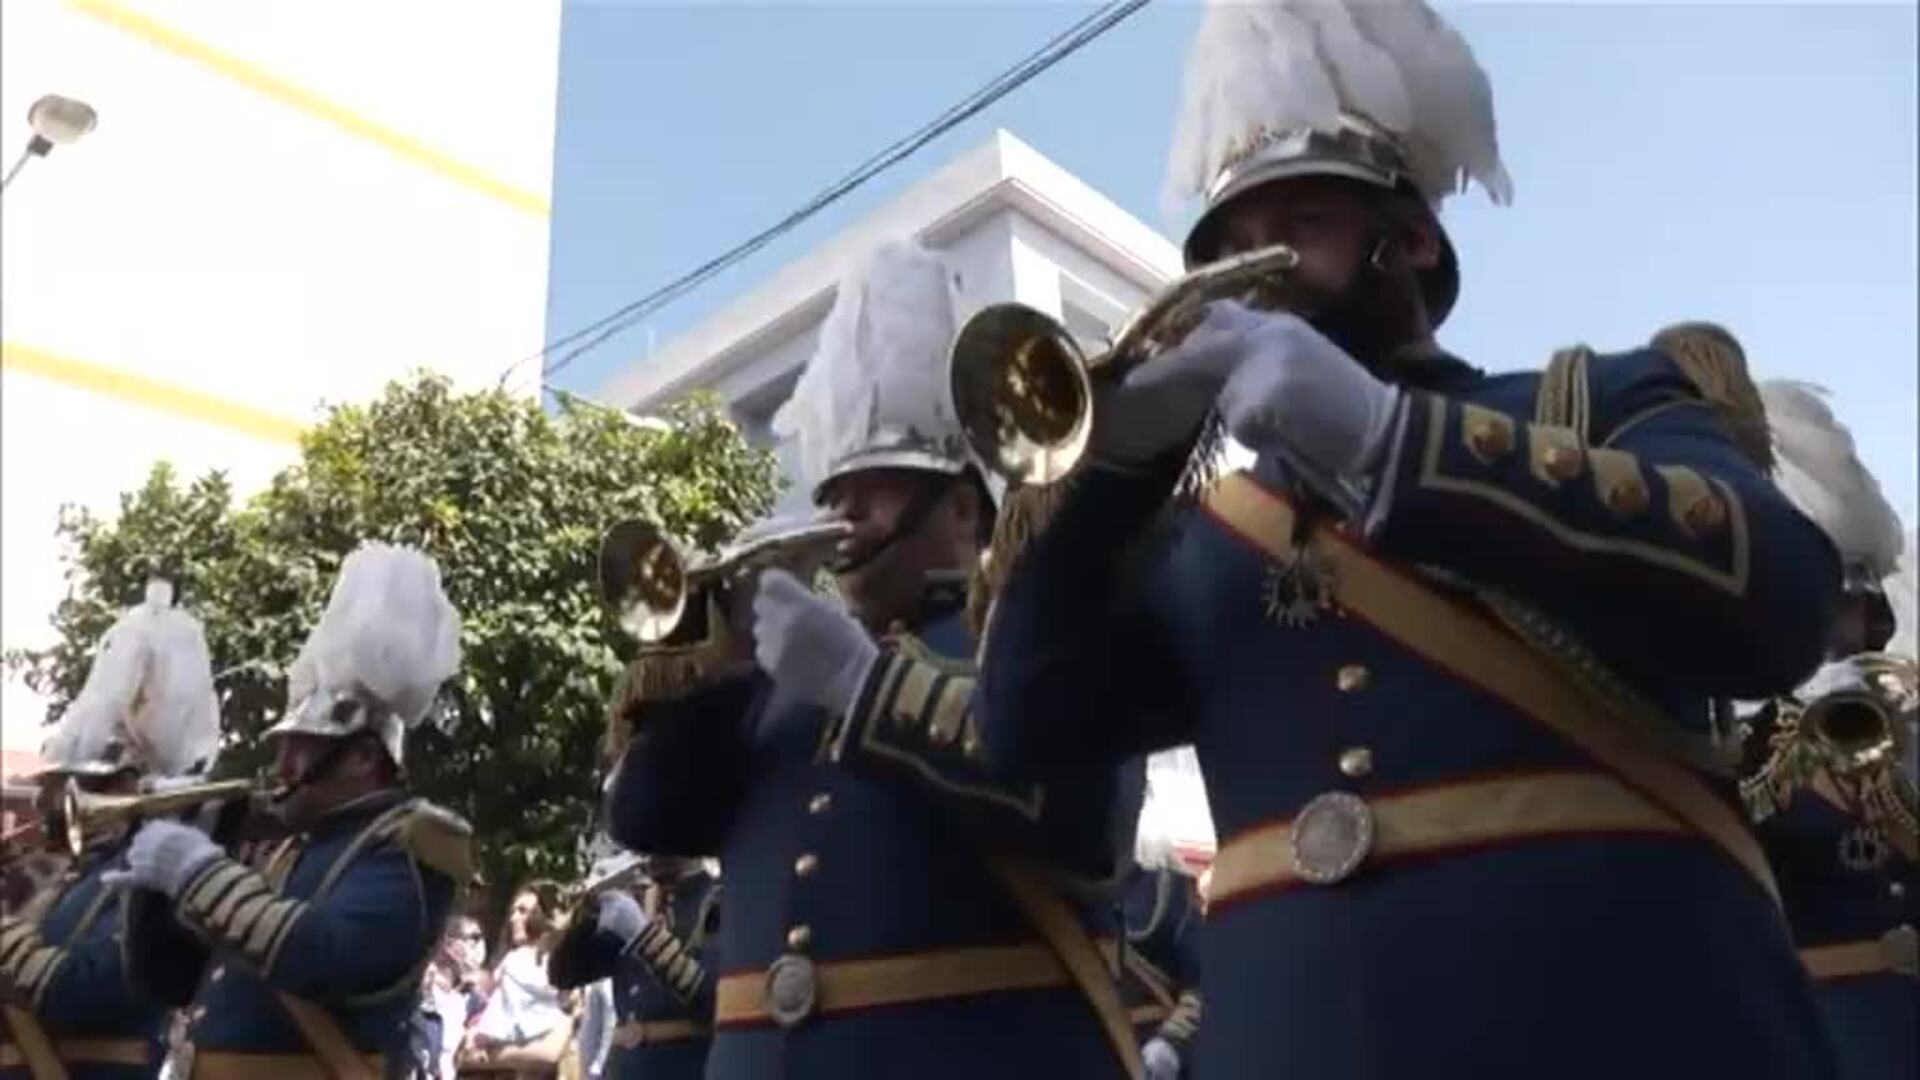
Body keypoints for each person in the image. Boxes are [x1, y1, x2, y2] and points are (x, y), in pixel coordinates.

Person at [972, 0, 1846, 1076]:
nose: (1256, 270)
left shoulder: (1594, 399)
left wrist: (1395, 444)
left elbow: (1782, 598)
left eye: (1300, 226)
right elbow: (1023, 726)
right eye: (1231, 249)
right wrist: (1113, 472)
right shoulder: (1207, 540)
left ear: (1414, 235)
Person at [605, 239, 1143, 1078]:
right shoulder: (779, 683)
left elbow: (1084, 815)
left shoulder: (1038, 638)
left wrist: (866, 685)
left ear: (962, 508)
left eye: (877, 485)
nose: (844, 511)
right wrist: (726, 660)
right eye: (834, 493)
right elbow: (645, 815)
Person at [112, 543, 472, 1080]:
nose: (281, 760)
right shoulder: (292, 850)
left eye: (301, 745)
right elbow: (170, 982)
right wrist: (155, 890)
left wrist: (198, 872)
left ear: (364, 755)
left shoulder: (413, 839)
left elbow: (328, 956)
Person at [1741, 380, 1915, 1080]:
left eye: (1861, 593)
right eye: (1838, 591)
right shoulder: (1733, 733)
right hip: (1823, 1027)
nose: (1854, 613)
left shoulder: (1904, 703)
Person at [0, 581, 220, 1080]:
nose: (49, 803)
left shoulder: (145, 878)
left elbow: (97, 990)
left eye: (70, 786)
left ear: (123, 785)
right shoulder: (75, 875)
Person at [546, 853, 719, 1080]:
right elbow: (562, 974)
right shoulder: (636, 901)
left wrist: (643, 936)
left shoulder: (716, 900)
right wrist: (587, 917)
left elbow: (712, 1001)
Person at [463, 885, 572, 1077]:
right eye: (513, 911)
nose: (513, 918)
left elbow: (550, 1051)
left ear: (545, 917)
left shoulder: (519, 961)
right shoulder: (514, 960)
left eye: (523, 911)